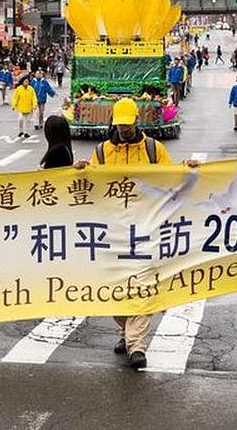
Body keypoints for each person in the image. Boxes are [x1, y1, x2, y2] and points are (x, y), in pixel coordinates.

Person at [73, 98, 172, 369]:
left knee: (142, 286)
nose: (125, 129)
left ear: (136, 121)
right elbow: (91, 188)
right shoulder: (102, 152)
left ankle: (136, 345)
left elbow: (172, 182)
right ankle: (125, 331)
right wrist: (82, 172)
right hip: (112, 231)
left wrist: (188, 170)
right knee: (115, 287)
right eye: (121, 125)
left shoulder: (154, 149)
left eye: (128, 125)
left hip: (145, 230)